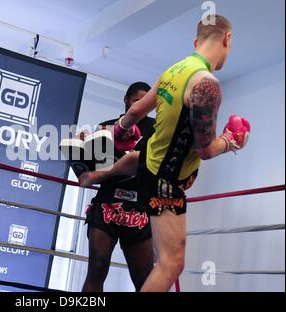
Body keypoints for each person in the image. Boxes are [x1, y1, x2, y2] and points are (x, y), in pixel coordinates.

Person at [79, 15, 251, 291]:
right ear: (227, 39)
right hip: (166, 183)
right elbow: (205, 149)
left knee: (146, 268)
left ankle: (100, 175)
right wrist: (231, 141)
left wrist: (120, 132)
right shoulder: (207, 84)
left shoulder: (173, 70)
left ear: (197, 41)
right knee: (171, 264)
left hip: (146, 168)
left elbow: (134, 112)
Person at [82, 82, 156, 292]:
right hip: (107, 205)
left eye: (145, 102)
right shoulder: (105, 127)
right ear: (126, 101)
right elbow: (92, 172)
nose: (141, 105)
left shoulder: (157, 130)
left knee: (144, 278)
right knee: (96, 269)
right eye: (136, 101)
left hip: (140, 208)